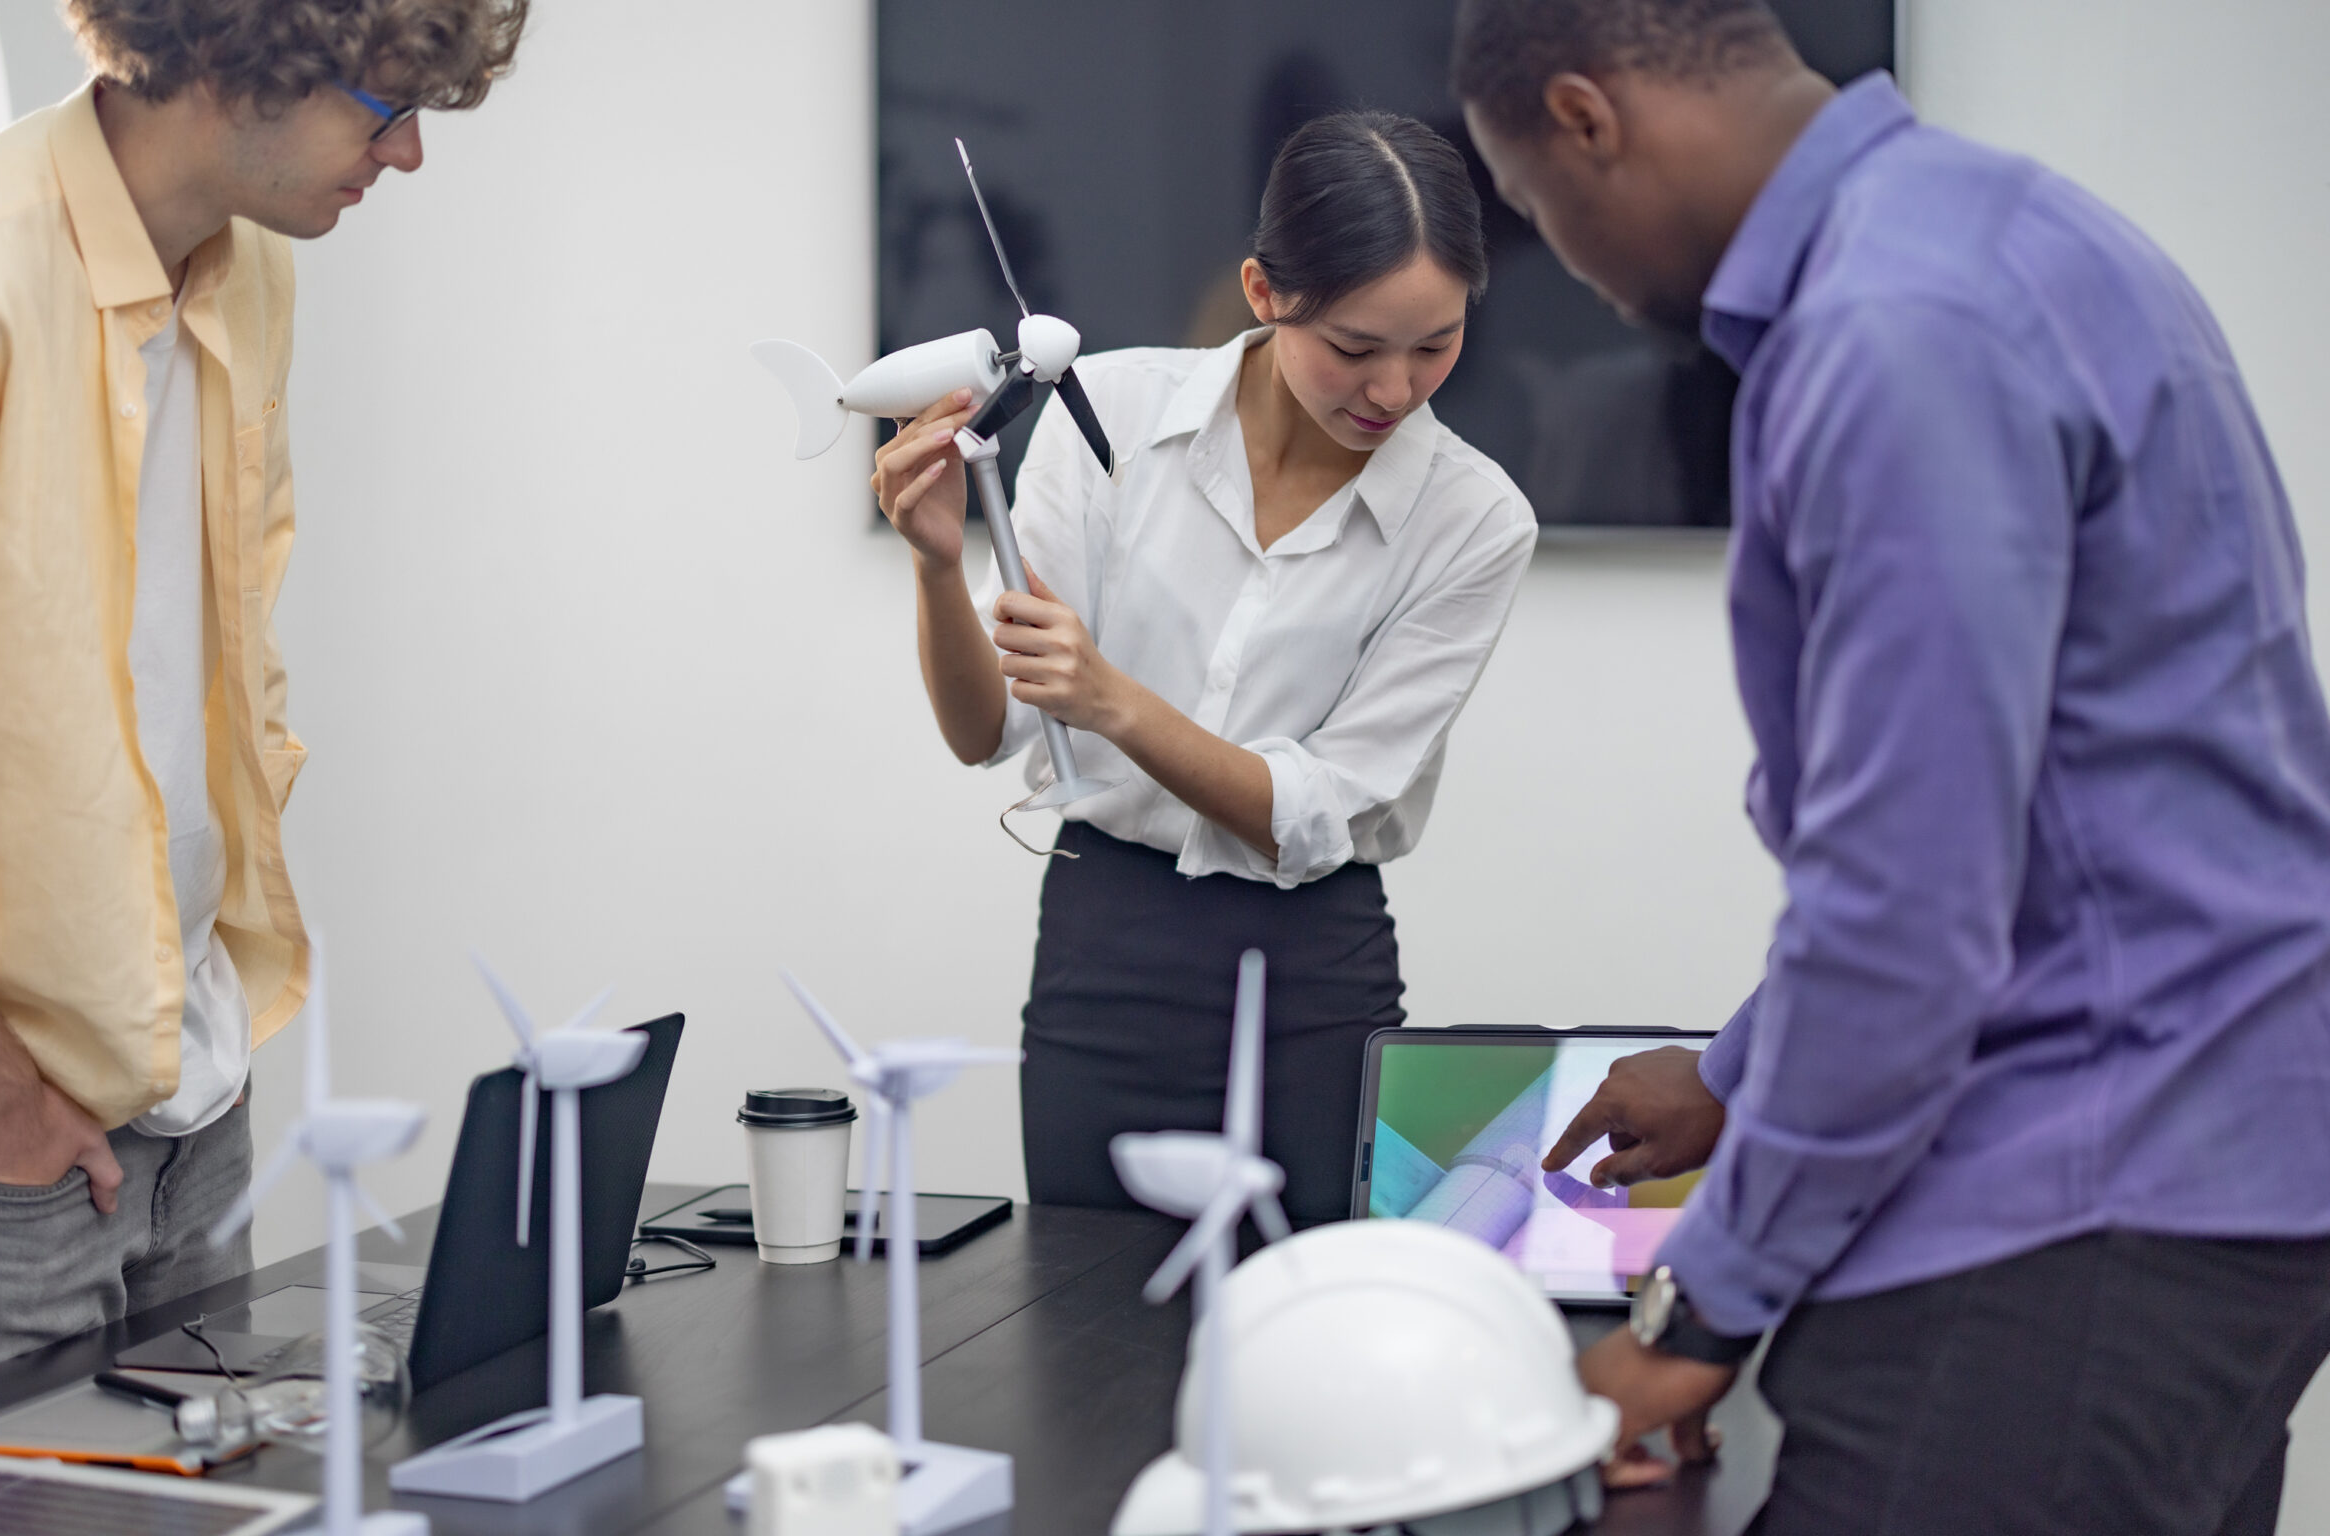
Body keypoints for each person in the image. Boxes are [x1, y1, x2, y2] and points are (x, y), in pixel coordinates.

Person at [1447, 1, 2330, 1529]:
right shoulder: (2023, 238)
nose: (1567, 265)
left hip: (2087, 1195)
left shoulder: (1890, 329)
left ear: (1588, 118)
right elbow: (2054, 820)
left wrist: (1693, 1319)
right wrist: (1736, 1075)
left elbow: (1910, 909)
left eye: (1534, 209)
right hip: (2221, 1164)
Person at [0, 0, 525, 1423]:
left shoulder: (247, 273)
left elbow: (224, 653)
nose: (410, 155)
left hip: (187, 1092)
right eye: (384, 108)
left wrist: (207, 1037)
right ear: (242, 66)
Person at [873, 112, 1538, 1225]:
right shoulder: (1112, 413)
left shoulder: (1473, 521)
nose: (1395, 388)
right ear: (1265, 292)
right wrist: (938, 569)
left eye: (1436, 343)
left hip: (1313, 978)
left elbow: (1316, 815)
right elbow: (987, 734)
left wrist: (1117, 704)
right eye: (1357, 345)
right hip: (1106, 950)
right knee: (1085, 1344)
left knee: (1305, 1340)